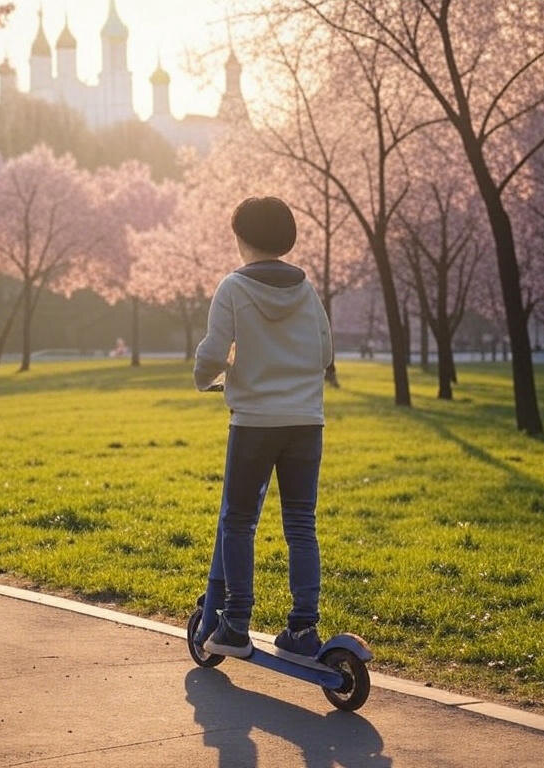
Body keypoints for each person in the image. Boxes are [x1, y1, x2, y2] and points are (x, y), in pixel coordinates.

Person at [193, 196, 333, 659]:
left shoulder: (233, 288)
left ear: (242, 238)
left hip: (254, 423)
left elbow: (214, 350)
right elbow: (325, 351)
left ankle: (235, 622)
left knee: (238, 520)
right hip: (305, 424)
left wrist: (206, 378)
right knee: (300, 523)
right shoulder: (306, 290)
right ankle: (303, 628)